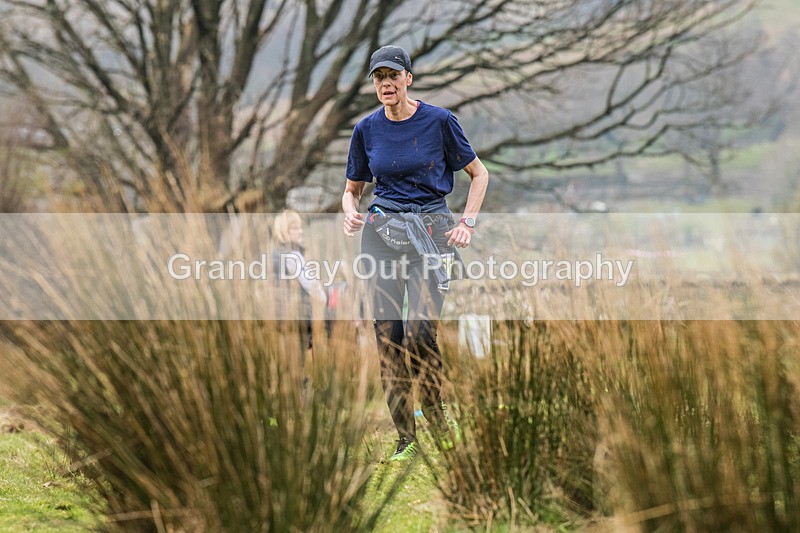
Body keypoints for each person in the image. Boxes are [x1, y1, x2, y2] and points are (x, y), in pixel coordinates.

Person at [342, 45, 489, 461]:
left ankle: (440, 422)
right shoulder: (365, 129)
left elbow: (479, 174)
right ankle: (407, 438)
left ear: (409, 78)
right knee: (388, 336)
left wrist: (467, 223)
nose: (385, 84)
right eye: (378, 78)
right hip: (381, 233)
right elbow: (351, 191)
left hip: (432, 232)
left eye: (393, 76)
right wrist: (350, 214)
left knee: (420, 334)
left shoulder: (439, 121)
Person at [272, 210, 327, 363]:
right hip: (298, 317)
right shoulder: (293, 256)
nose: (300, 231)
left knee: (290, 360)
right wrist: (324, 298)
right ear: (285, 232)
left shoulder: (274, 254)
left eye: (300, 227)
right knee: (299, 361)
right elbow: (311, 285)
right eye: (295, 228)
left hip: (280, 316)